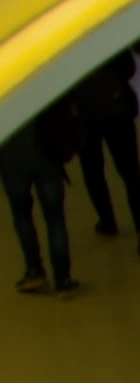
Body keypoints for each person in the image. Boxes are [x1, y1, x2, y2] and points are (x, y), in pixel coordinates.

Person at [69, 59, 140, 257]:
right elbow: (129, 68)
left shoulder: (68, 42)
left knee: (93, 171)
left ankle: (107, 220)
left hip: (85, 114)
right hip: (117, 109)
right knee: (131, 170)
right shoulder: (106, 39)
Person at [1, 112, 75, 297]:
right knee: (55, 219)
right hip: (45, 155)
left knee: (22, 216)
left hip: (11, 159)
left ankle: (34, 269)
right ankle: (63, 279)